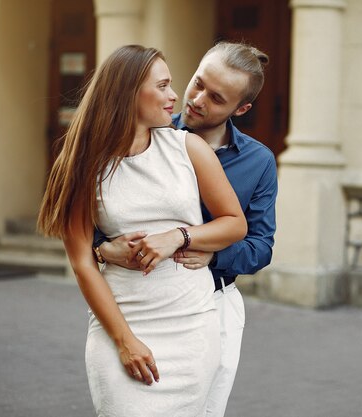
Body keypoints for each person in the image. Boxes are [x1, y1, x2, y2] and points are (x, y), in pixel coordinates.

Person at [38, 44, 247, 417]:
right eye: (163, 86)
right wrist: (124, 341)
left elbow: (235, 223)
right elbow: (83, 263)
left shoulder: (188, 148)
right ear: (128, 91)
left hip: (192, 328)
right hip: (123, 323)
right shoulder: (82, 164)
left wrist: (179, 236)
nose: (174, 97)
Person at [94, 41, 278, 417]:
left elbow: (261, 246)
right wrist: (102, 247)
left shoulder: (258, 162)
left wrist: (212, 251)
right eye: (197, 83)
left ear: (240, 109)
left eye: (216, 97)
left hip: (213, 302)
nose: (195, 99)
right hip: (140, 300)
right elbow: (109, 207)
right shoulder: (152, 129)